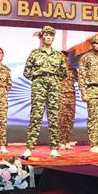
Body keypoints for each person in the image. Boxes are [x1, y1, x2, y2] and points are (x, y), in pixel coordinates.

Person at [22, 26, 66, 158]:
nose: (49, 38)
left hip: (54, 86)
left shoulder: (59, 55)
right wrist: (38, 78)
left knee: (54, 117)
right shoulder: (34, 53)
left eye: (51, 35)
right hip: (39, 86)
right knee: (36, 116)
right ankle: (29, 148)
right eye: (46, 35)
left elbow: (63, 73)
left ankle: (54, 148)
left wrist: (53, 79)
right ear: (42, 37)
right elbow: (26, 72)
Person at [58, 51, 78, 150]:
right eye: (62, 57)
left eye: (66, 57)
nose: (65, 59)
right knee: (61, 120)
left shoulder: (73, 70)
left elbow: (79, 79)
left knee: (70, 119)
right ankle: (61, 142)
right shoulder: (57, 69)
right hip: (61, 95)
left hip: (71, 96)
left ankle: (67, 141)